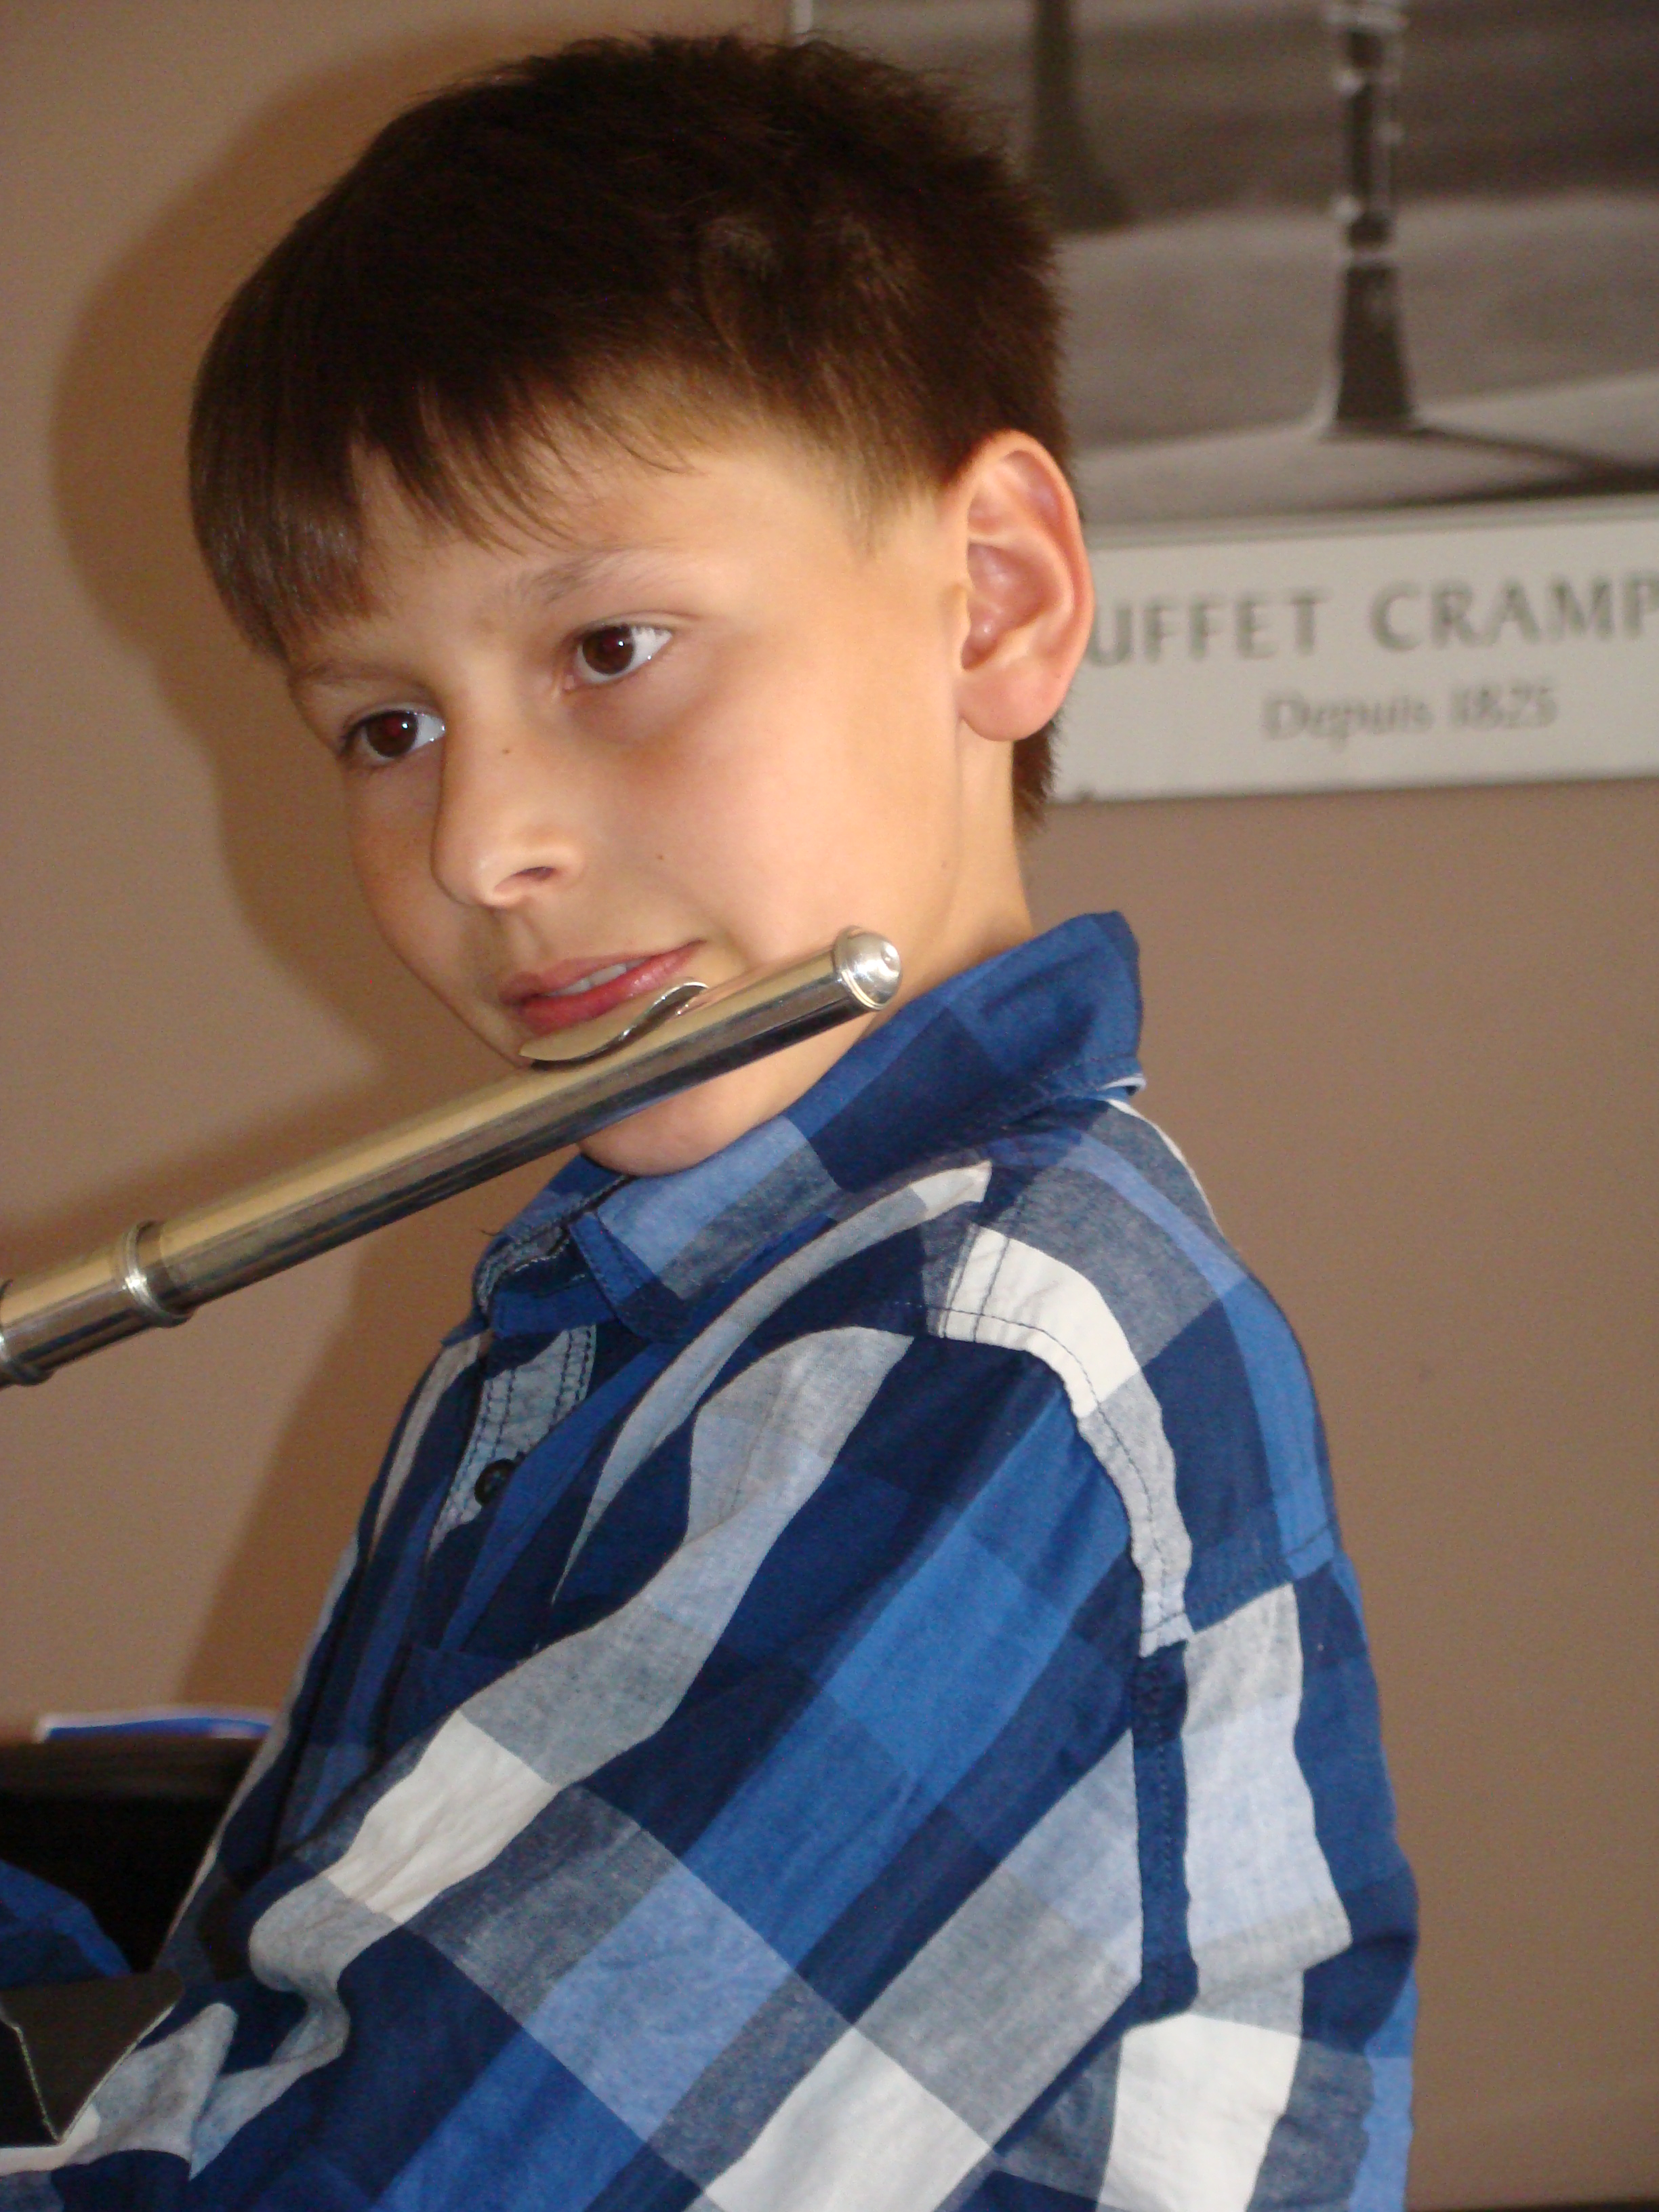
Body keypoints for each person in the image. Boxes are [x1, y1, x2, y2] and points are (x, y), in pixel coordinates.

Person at [0, 35, 1416, 2208]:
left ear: (997, 598)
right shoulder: (615, 1310)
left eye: (610, 647)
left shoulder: (971, 1367)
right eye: (386, 725)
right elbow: (270, 2038)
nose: (480, 844)